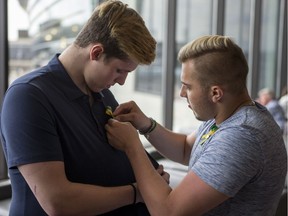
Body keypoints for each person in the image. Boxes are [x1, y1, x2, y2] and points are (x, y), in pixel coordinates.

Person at [0, 1, 169, 215]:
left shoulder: (101, 94)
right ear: (96, 53)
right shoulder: (28, 96)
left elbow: (152, 173)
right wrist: (138, 192)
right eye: (119, 70)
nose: (122, 82)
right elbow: (58, 202)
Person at [105, 35, 287, 216]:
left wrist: (133, 146)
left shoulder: (242, 136)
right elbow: (186, 149)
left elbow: (168, 212)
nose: (182, 93)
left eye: (188, 86)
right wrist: (145, 124)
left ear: (216, 93)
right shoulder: (229, 114)